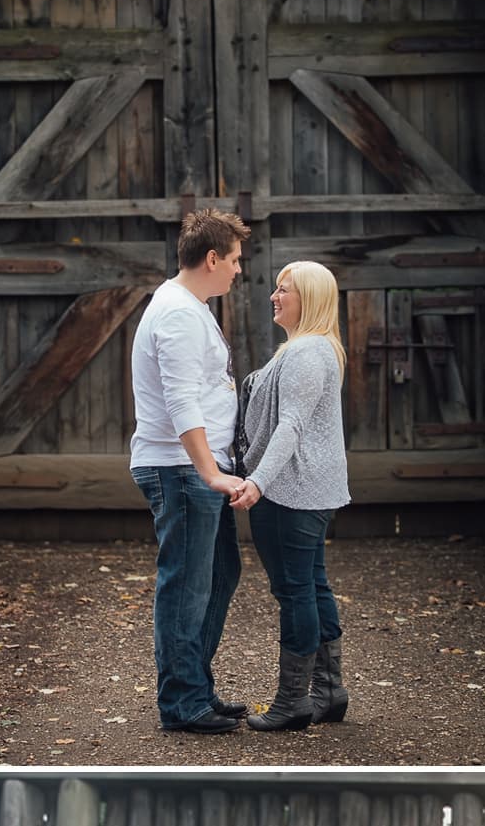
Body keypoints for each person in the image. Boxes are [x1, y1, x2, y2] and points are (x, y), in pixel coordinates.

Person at [129, 208, 251, 735]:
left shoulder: (190, 305)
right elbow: (181, 399)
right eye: (235, 260)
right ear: (211, 258)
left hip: (195, 469)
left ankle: (194, 686)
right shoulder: (178, 312)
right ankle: (181, 703)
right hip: (181, 470)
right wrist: (210, 473)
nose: (239, 271)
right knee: (186, 586)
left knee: (221, 573)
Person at [230, 259, 352, 731]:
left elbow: (292, 425)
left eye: (285, 290)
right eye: (276, 288)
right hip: (310, 489)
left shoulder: (306, 354)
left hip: (293, 489)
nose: (273, 296)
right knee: (313, 584)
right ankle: (329, 692)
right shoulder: (312, 350)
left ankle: (293, 702)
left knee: (295, 590)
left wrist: (258, 481)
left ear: (312, 299)